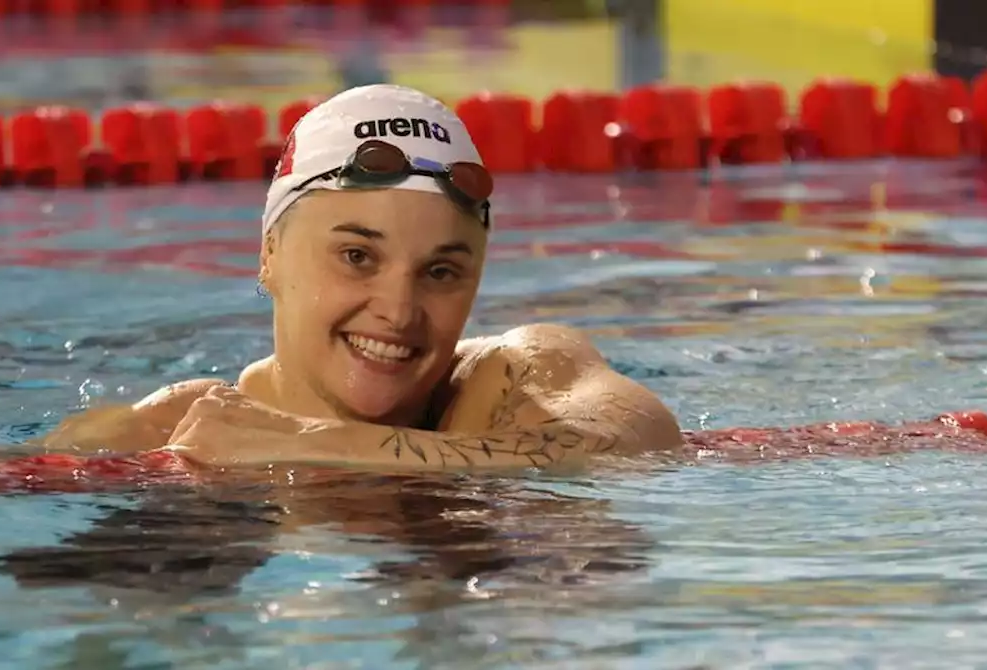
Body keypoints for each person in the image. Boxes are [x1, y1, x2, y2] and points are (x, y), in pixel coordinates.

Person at [41, 84, 682, 471]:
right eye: (357, 257)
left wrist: (317, 446)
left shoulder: (517, 373)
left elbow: (637, 446)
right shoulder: (168, 437)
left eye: (440, 270)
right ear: (269, 253)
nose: (399, 311)